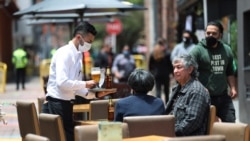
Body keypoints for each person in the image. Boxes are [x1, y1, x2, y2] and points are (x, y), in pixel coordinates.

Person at [41, 22, 116, 141]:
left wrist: (94, 94)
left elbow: (75, 86)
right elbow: (62, 83)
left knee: (69, 136)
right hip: (57, 103)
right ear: (79, 37)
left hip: (66, 103)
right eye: (89, 41)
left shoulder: (78, 55)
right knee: (64, 137)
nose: (90, 45)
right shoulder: (64, 53)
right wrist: (86, 83)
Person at [190, 21, 237, 122]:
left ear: (220, 35)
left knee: (230, 122)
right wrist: (199, 87)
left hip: (223, 96)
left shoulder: (226, 50)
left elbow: (230, 71)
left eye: (214, 33)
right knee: (207, 127)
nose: (210, 35)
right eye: (208, 33)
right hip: (205, 98)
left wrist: (233, 88)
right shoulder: (197, 50)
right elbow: (189, 72)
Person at [165, 54, 210, 136]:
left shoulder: (196, 91)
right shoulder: (177, 88)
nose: (175, 71)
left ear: (190, 69)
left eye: (179, 67)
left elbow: (192, 122)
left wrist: (169, 132)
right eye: (174, 68)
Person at [149, 38, 173, 103]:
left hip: (157, 74)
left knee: (158, 91)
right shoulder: (167, 53)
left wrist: (152, 73)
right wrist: (172, 73)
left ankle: (158, 104)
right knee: (166, 91)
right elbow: (170, 65)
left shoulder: (153, 53)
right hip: (165, 74)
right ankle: (167, 105)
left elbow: (150, 65)